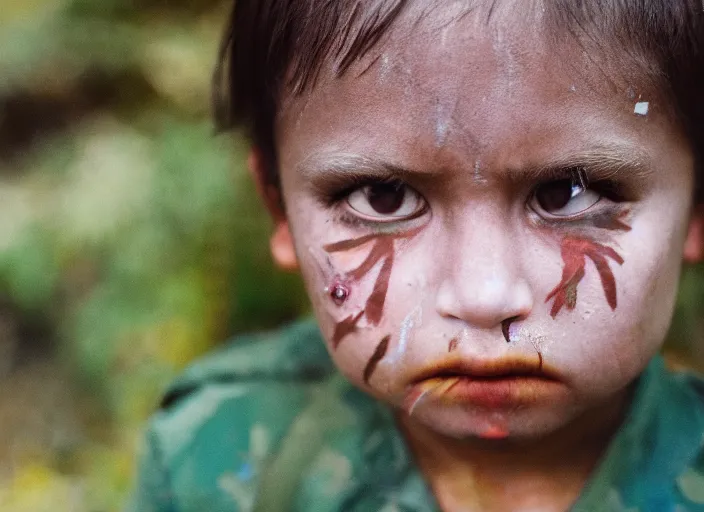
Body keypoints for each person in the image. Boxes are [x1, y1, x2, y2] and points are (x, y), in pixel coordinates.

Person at [127, 1, 704, 510]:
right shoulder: (211, 455)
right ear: (279, 208)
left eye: (567, 193)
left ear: (697, 204)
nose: (484, 298)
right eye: (384, 197)